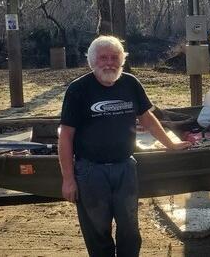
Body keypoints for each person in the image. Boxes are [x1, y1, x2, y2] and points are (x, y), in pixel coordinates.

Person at [59, 36, 191, 257]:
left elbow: (147, 119)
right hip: (91, 172)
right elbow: (65, 136)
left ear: (121, 60)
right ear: (92, 61)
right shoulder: (78, 90)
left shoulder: (130, 83)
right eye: (103, 58)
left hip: (125, 168)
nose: (109, 63)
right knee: (98, 231)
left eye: (114, 58)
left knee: (130, 229)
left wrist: (171, 144)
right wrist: (68, 179)